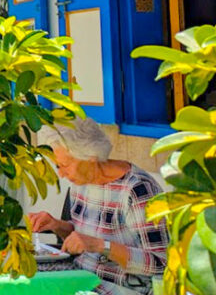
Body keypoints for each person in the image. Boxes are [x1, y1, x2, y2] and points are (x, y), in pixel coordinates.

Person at [28, 117, 168, 295]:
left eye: (65, 165)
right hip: (82, 277)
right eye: (57, 166)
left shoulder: (137, 190)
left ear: (91, 158)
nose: (61, 174)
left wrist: (102, 246)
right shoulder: (81, 182)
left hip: (123, 287)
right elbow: (83, 239)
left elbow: (161, 264)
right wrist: (56, 225)